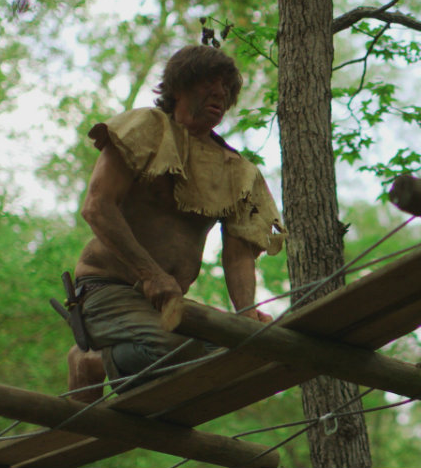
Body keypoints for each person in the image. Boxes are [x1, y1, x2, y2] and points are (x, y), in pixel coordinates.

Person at [66, 45, 286, 403]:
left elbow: (238, 255)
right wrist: (149, 273)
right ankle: (93, 361)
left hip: (167, 308)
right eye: (209, 84)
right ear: (179, 87)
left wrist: (245, 314)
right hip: (105, 290)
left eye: (227, 88)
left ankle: (122, 367)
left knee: (237, 351)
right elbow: (97, 207)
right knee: (182, 350)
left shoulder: (237, 170)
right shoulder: (145, 129)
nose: (220, 93)